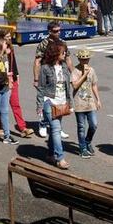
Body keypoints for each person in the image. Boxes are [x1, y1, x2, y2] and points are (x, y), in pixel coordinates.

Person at [37, 41, 75, 169]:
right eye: (62, 52)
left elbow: (67, 87)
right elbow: (41, 88)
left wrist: (69, 102)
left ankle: (50, 154)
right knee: (56, 129)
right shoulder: (45, 68)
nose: (65, 54)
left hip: (62, 102)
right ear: (55, 53)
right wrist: (40, 106)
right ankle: (60, 158)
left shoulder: (64, 66)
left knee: (55, 130)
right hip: (50, 101)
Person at [33, 22, 74, 138]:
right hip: (47, 76)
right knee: (46, 102)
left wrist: (73, 74)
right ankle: (43, 124)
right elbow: (37, 61)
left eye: (59, 30)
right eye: (56, 31)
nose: (58, 32)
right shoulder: (43, 44)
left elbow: (68, 60)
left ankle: (58, 128)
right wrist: (36, 79)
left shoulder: (63, 43)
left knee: (60, 102)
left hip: (60, 74)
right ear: (50, 32)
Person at [0, 31, 34, 138]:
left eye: (10, 37)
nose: (9, 39)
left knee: (16, 104)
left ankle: (22, 128)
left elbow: (14, 63)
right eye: (7, 37)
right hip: (2, 81)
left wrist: (17, 75)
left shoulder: (11, 48)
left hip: (12, 79)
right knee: (2, 106)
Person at [71, 48, 101, 158]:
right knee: (81, 127)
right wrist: (84, 74)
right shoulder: (75, 71)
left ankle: (88, 141)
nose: (85, 61)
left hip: (90, 102)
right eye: (83, 59)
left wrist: (98, 99)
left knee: (94, 125)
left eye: (87, 59)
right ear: (79, 59)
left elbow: (94, 85)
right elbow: (74, 85)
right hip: (79, 103)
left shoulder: (92, 70)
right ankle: (82, 148)